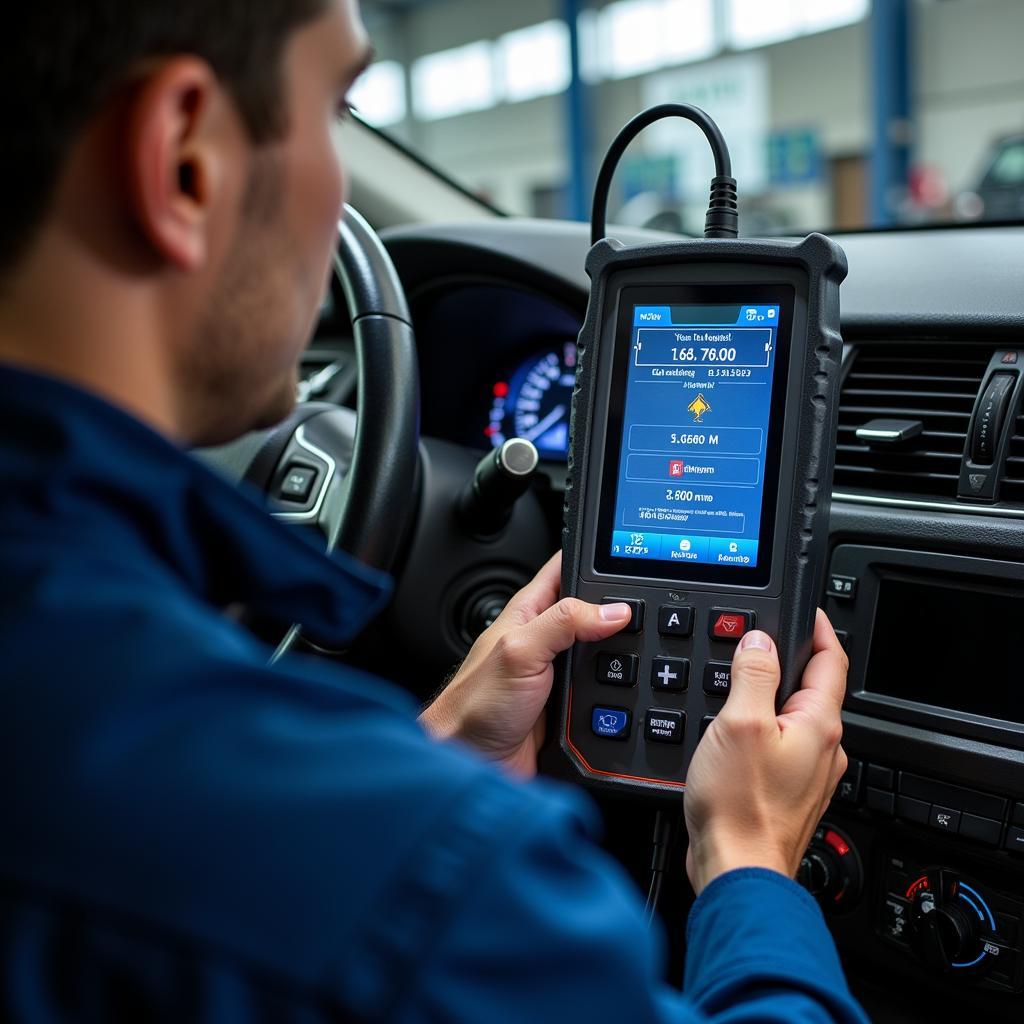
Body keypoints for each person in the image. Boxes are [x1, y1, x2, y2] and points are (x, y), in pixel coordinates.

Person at [0, 1, 868, 1021]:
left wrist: (446, 741)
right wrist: (749, 864)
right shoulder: (430, 889)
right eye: (337, 107)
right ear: (184, 158)